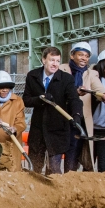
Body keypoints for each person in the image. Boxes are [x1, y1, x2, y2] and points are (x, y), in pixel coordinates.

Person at [23, 46, 83, 174]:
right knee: (35, 168)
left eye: (57, 61)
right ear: (44, 60)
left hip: (57, 130)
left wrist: (76, 115)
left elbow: (74, 99)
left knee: (54, 170)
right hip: (38, 130)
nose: (55, 64)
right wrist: (40, 99)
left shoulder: (66, 79)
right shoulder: (32, 76)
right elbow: (26, 100)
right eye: (52, 60)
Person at [58, 41, 99, 171]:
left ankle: (70, 179)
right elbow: (56, 90)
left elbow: (99, 89)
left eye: (86, 56)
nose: (84, 58)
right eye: (80, 54)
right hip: (61, 119)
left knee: (73, 152)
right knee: (57, 154)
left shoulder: (91, 74)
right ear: (72, 55)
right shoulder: (61, 69)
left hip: (78, 120)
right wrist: (74, 92)